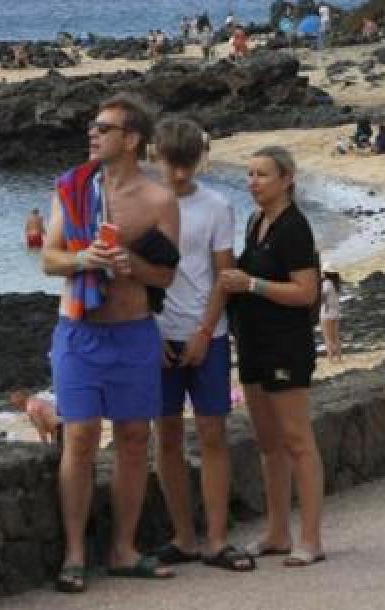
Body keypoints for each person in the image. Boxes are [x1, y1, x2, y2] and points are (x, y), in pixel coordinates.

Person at [41, 93, 181, 592]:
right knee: (78, 438)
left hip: (133, 332)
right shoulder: (74, 189)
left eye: (104, 127)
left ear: (132, 138)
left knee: (132, 440)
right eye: (93, 126)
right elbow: (50, 259)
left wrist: (129, 264)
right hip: (79, 332)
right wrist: (87, 260)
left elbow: (164, 275)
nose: (92, 133)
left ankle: (124, 548)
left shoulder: (159, 200)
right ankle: (75, 553)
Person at [149, 119, 254, 572]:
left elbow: (223, 275)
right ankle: (183, 537)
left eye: (185, 165)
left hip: (206, 335)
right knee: (166, 436)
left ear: (198, 160)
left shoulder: (216, 205)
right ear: (155, 157)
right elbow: (133, 275)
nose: (177, 175)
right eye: (171, 164)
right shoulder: (140, 204)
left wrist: (204, 330)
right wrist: (150, 333)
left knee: (213, 434)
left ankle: (215, 538)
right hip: (155, 335)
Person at [219, 145, 326, 568]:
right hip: (251, 342)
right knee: (267, 443)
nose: (253, 182)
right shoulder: (255, 222)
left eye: (262, 174)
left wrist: (251, 285)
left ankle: (311, 539)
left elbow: (306, 293)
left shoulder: (294, 228)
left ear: (287, 179)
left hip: (286, 344)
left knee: (297, 440)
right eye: (249, 174)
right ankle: (278, 532)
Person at [320, 264, 343, 361]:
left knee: (328, 338)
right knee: (336, 337)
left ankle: (330, 359)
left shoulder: (327, 283)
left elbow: (322, 296)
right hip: (335, 312)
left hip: (326, 313)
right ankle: (339, 357)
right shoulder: (336, 283)